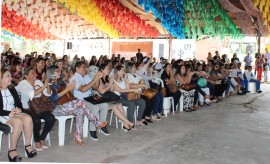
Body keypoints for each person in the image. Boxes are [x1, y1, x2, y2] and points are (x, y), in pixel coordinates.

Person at [46, 66, 107, 145]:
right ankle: (96, 123)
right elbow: (52, 98)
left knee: (80, 111)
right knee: (81, 102)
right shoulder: (49, 82)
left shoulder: (60, 81)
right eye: (57, 71)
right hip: (55, 108)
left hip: (65, 105)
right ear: (51, 73)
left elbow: (68, 95)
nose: (59, 72)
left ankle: (77, 137)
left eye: (59, 70)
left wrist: (70, 87)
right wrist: (67, 89)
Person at [0, 69, 36, 162]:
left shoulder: (11, 89)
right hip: (2, 114)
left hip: (13, 113)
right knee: (17, 122)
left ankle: (28, 145)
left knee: (28, 118)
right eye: (7, 76)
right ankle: (12, 150)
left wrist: (18, 109)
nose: (11, 78)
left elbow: (18, 103)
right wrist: (9, 113)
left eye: (10, 76)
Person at [16, 68, 55, 151]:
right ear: (26, 76)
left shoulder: (37, 82)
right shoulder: (23, 84)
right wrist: (44, 85)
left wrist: (47, 85)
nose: (35, 75)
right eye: (32, 73)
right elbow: (33, 93)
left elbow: (48, 93)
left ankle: (42, 138)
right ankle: (37, 141)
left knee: (51, 118)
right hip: (27, 109)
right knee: (36, 120)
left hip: (38, 108)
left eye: (35, 73)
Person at [69, 61, 110, 141]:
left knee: (105, 105)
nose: (85, 69)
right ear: (77, 68)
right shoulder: (74, 78)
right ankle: (92, 129)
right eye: (83, 67)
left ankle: (102, 125)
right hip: (80, 101)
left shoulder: (87, 77)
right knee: (95, 107)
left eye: (85, 67)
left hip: (90, 98)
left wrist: (97, 78)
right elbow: (83, 89)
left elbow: (95, 86)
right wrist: (94, 80)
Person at [95, 64, 135, 131]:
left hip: (108, 97)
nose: (109, 70)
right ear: (102, 70)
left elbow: (112, 91)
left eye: (109, 69)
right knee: (114, 106)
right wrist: (110, 84)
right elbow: (102, 92)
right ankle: (127, 122)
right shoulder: (98, 79)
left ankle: (126, 125)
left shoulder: (107, 79)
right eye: (107, 69)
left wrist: (112, 83)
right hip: (100, 99)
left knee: (119, 104)